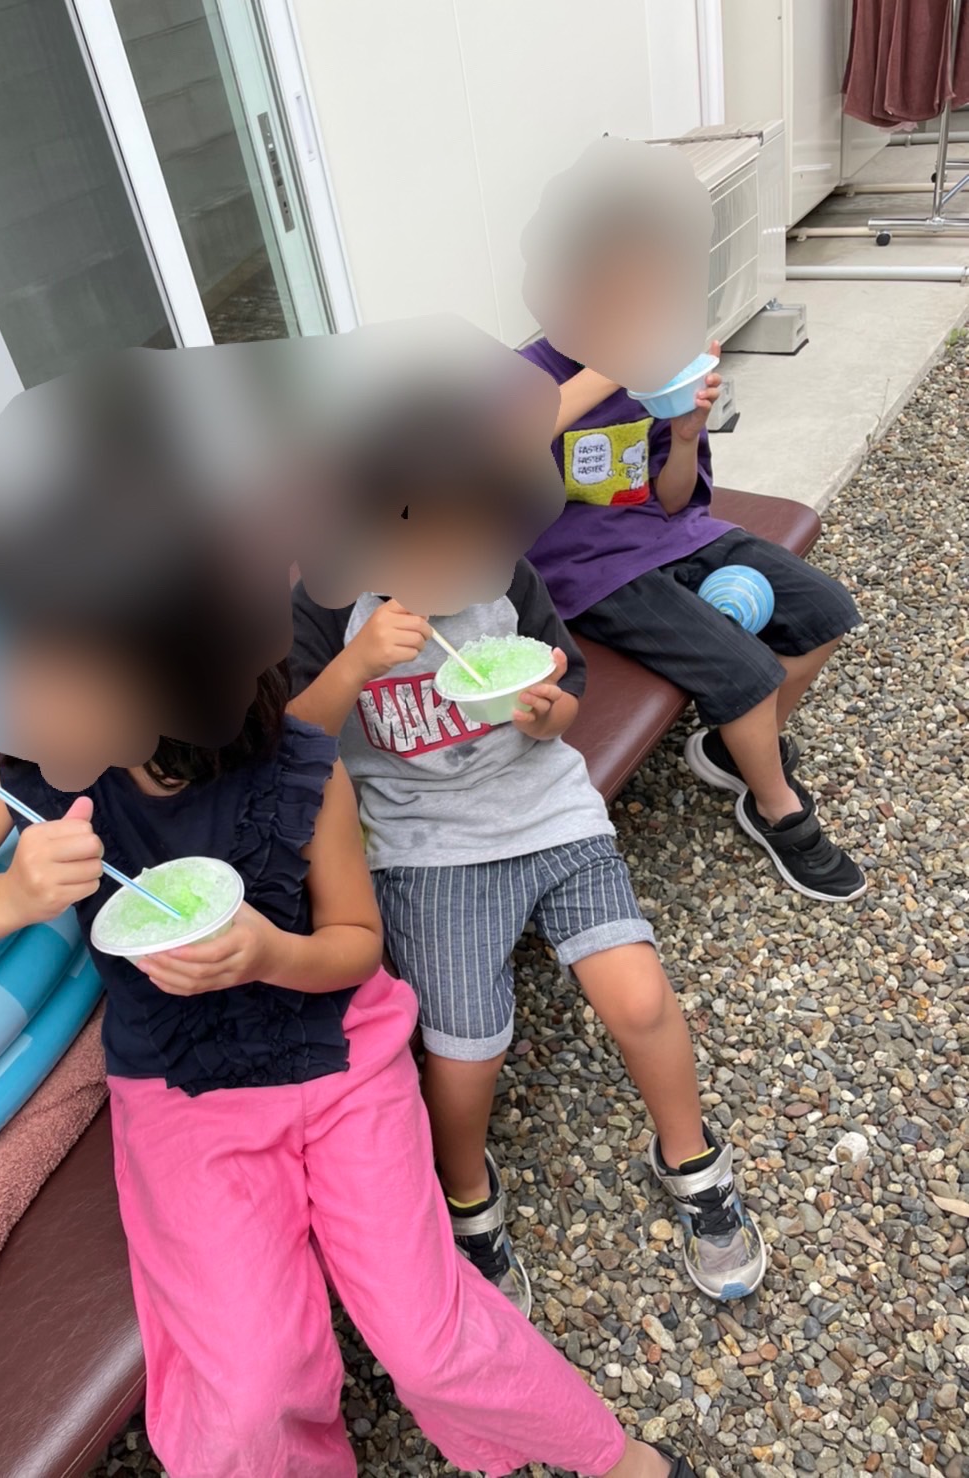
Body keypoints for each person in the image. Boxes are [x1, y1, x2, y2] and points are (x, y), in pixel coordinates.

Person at [0, 656, 699, 1478]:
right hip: (182, 1088)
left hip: (342, 1059)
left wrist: (269, 955)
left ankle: (619, 1460)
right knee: (248, 1396)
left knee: (429, 1343)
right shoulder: (14, 768)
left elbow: (355, 944)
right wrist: (8, 898)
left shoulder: (296, 762)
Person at [288, 439, 767, 1320]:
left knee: (641, 1000)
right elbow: (293, 740)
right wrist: (356, 666)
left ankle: (693, 1161)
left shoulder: (505, 580)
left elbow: (565, 690)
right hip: (428, 847)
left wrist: (548, 714)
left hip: (550, 813)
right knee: (467, 1051)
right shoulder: (327, 607)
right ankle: (468, 1197)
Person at [519, 335, 866, 904]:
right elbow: (500, 446)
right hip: (584, 566)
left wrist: (684, 435)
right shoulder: (521, 376)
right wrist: (614, 365)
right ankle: (775, 808)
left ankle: (732, 751)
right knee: (745, 673)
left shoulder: (660, 372)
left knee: (823, 612)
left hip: (674, 534)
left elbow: (675, 501)